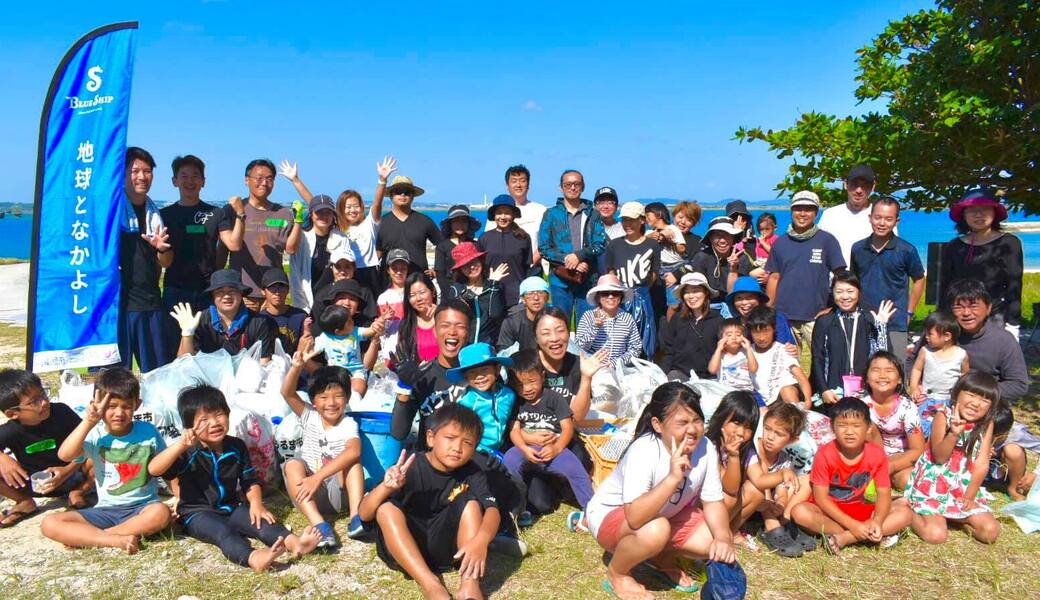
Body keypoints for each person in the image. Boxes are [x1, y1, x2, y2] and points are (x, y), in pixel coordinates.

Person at [585, 382, 737, 599]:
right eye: (682, 422)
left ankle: (660, 558)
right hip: (612, 517)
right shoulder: (644, 450)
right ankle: (617, 573)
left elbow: (713, 501)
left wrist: (723, 536)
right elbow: (635, 518)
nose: (692, 429)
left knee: (711, 540)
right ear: (658, 424)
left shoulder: (706, 448)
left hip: (662, 516)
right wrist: (673, 478)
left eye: (697, 420)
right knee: (657, 530)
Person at [149, 385, 320, 570]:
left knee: (261, 521)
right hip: (197, 513)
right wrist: (181, 445)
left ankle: (295, 543)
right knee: (224, 532)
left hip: (231, 507)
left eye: (219, 414)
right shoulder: (188, 452)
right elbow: (154, 469)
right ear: (190, 427)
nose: (214, 423)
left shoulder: (236, 446)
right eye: (204, 419)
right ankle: (254, 558)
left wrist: (256, 504)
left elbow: (249, 480)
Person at [359, 404, 500, 600]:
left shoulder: (473, 472)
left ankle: (470, 583)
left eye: (467, 443)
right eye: (450, 438)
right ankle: (431, 585)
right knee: (386, 509)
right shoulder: (409, 466)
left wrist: (481, 540)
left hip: (448, 548)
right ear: (430, 437)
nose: (457, 448)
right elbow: (364, 514)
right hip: (405, 548)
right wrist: (385, 488)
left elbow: (493, 510)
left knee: (472, 504)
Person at [41, 368, 172, 552]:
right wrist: (88, 421)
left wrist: (179, 498)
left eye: (126, 406)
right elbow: (65, 455)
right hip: (104, 510)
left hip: (143, 507)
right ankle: (115, 539)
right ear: (96, 404)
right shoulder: (95, 434)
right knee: (50, 523)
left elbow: (166, 466)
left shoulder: (148, 431)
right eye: (110, 406)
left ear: (137, 404)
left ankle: (99, 537)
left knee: (161, 513)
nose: (119, 413)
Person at [790, 397, 913, 554]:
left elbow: (884, 494)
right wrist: (854, 526)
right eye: (842, 426)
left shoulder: (876, 454)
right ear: (832, 428)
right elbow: (821, 498)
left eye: (856, 426)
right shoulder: (825, 454)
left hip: (861, 508)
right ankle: (861, 534)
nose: (849, 432)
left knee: (905, 514)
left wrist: (877, 520)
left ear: (868, 428)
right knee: (800, 512)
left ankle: (846, 538)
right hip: (829, 511)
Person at [905, 372, 1003, 544]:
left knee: (990, 533)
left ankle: (957, 517)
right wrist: (953, 434)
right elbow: (939, 457)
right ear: (957, 394)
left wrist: (969, 497)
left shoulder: (987, 424)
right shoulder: (943, 415)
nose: (976, 403)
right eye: (971, 395)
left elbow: (981, 464)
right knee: (935, 535)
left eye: (985, 400)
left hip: (962, 485)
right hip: (934, 483)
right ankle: (907, 511)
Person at [280, 157, 394, 305]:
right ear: (340, 210)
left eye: (356, 206)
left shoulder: (368, 225)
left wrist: (382, 181)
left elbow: (377, 205)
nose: (352, 210)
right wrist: (295, 180)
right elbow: (315, 205)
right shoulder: (338, 229)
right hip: (344, 273)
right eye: (348, 206)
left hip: (367, 272)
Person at [281, 350, 364, 548]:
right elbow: (287, 393)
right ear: (313, 401)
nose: (331, 403)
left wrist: (317, 478)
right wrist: (296, 367)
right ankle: (320, 525)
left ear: (347, 398)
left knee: (354, 466)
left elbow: (354, 451)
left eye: (338, 396)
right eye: (323, 397)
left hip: (336, 493)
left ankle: (356, 518)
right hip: (307, 495)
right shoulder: (309, 415)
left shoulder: (348, 424)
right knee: (292, 464)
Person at [502, 350, 595, 524]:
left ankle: (591, 511)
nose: (527, 389)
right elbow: (514, 430)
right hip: (526, 449)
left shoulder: (554, 398)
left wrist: (557, 448)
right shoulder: (516, 401)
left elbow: (567, 427)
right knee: (509, 461)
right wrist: (523, 448)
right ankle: (513, 510)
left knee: (576, 469)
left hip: (554, 448)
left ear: (542, 376)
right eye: (520, 384)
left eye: (531, 381)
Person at [0, 370, 93, 527]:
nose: (44, 402)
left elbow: (89, 441)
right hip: (35, 484)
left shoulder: (62, 412)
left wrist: (68, 470)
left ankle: (78, 492)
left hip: (75, 473)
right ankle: (23, 502)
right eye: (34, 402)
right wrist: (2, 458)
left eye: (43, 394)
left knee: (99, 455)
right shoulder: (10, 431)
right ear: (12, 414)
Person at [160, 154, 245, 312]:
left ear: (203, 181)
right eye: (184, 176)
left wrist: (240, 215)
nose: (190, 181)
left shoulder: (216, 213)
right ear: (174, 181)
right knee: (174, 336)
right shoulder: (164, 215)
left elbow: (234, 244)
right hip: (175, 288)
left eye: (195, 176)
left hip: (207, 289)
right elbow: (163, 261)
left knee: (206, 336)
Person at [922, 279, 1029, 403]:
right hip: (934, 400)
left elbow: (1019, 385)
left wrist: (974, 393)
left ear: (988, 308)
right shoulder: (939, 332)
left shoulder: (1003, 340)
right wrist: (916, 385)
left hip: (981, 404)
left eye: (973, 306)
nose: (966, 313)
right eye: (959, 307)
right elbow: (911, 362)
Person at [765, 190, 846, 349]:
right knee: (787, 365)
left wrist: (833, 307)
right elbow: (774, 277)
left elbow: (841, 275)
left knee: (822, 362)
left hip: (816, 315)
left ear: (816, 213)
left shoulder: (827, 240)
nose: (802, 213)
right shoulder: (780, 243)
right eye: (798, 208)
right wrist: (768, 310)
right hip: (784, 316)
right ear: (792, 211)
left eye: (808, 209)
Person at [850, 196, 925, 365]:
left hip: (895, 321)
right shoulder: (858, 248)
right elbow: (854, 281)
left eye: (888, 219)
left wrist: (909, 312)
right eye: (878, 217)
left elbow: (919, 279)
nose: (882, 223)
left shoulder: (906, 250)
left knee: (895, 370)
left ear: (896, 221)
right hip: (864, 319)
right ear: (870, 218)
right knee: (864, 369)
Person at [939, 188, 1023, 337]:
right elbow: (945, 285)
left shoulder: (1009, 243)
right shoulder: (954, 246)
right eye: (972, 211)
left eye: (984, 209)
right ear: (964, 215)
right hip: (959, 316)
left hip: (995, 316)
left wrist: (1013, 325)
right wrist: (941, 318)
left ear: (994, 212)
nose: (979, 215)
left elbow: (1014, 286)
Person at [118, 147, 173, 372]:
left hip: (148, 302)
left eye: (147, 171)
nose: (142, 177)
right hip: (116, 306)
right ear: (122, 173)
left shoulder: (156, 215)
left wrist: (161, 249)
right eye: (135, 171)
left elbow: (167, 262)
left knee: (157, 373)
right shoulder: (110, 212)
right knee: (115, 376)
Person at [810, 270, 894, 407]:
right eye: (839, 292)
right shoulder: (824, 321)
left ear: (859, 292)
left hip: (866, 391)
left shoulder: (870, 319)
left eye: (850, 291)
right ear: (832, 293)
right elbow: (817, 359)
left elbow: (885, 357)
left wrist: (881, 327)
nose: (845, 297)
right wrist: (824, 390)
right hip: (833, 393)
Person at [229, 158, 302, 310]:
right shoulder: (234, 209)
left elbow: (291, 248)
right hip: (242, 291)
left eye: (269, 179)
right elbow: (225, 247)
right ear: (246, 180)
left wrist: (299, 220)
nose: (264, 183)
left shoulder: (283, 213)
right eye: (259, 178)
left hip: (274, 292)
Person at [538, 169, 607, 325]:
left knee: (586, 326)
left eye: (577, 184)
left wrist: (580, 256)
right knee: (560, 324)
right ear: (561, 188)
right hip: (560, 281)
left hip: (587, 279)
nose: (573, 188)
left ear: (583, 187)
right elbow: (543, 247)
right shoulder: (551, 214)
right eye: (568, 184)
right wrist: (567, 259)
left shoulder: (593, 214)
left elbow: (600, 244)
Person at [747, 403, 814, 557]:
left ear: (792, 440)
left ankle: (784, 521)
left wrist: (781, 503)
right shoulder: (753, 449)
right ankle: (771, 525)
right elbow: (759, 480)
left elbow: (782, 490)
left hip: (769, 504)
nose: (770, 437)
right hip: (753, 501)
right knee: (761, 473)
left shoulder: (784, 460)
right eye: (768, 429)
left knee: (806, 480)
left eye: (779, 434)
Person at [170, 269, 277, 362]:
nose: (226, 296)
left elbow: (264, 362)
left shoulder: (258, 322)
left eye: (232, 291)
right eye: (220, 291)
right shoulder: (200, 320)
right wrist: (187, 334)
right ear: (213, 295)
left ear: (241, 293)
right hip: (207, 380)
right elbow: (183, 362)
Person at [862, 351, 925, 490]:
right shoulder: (860, 404)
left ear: (900, 379)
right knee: (863, 424)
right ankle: (876, 475)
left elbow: (917, 449)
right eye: (876, 370)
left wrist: (891, 466)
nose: (882, 375)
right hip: (871, 457)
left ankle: (883, 476)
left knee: (907, 480)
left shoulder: (907, 407)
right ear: (866, 378)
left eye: (889, 370)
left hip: (902, 458)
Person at [606, 201, 660, 358]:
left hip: (643, 298)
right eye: (624, 220)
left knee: (645, 337)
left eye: (632, 219)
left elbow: (654, 273)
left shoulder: (652, 244)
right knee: (620, 339)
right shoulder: (615, 245)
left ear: (642, 220)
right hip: (620, 299)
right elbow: (611, 272)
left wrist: (641, 292)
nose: (627, 224)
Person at [705, 391, 764, 534]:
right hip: (703, 504)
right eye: (736, 423)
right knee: (729, 498)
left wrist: (782, 475)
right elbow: (729, 489)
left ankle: (730, 531)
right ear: (722, 419)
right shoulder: (709, 445)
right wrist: (733, 456)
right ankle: (712, 533)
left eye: (748, 427)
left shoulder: (747, 449)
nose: (741, 432)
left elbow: (760, 479)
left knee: (756, 492)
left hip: (722, 506)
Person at [283, 193, 349, 313]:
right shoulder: (302, 238)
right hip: (305, 300)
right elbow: (291, 254)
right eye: (319, 212)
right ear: (311, 215)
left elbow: (345, 272)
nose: (324, 216)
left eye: (328, 212)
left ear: (333, 215)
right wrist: (302, 308)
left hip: (332, 301)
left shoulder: (341, 238)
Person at [910, 311, 970, 436]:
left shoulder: (961, 355)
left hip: (948, 400)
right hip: (926, 398)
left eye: (930, 334)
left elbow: (965, 376)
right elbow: (917, 369)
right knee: (920, 425)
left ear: (947, 336)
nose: (926, 336)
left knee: (944, 427)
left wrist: (960, 397)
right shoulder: (925, 351)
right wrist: (914, 387)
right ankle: (921, 448)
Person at [313, 301, 388, 397]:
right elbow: (315, 351)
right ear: (337, 331)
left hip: (356, 370)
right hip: (334, 372)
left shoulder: (355, 332)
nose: (352, 321)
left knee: (357, 390)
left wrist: (382, 319)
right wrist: (306, 354)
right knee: (334, 391)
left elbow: (371, 330)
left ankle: (354, 402)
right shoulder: (325, 337)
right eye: (349, 321)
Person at [658, 273, 723, 381]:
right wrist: (661, 376)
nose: (691, 296)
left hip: (709, 377)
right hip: (680, 374)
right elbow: (669, 351)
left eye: (696, 291)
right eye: (687, 292)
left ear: (706, 293)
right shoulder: (677, 319)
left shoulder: (718, 320)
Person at [377, 175, 442, 277]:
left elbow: (443, 245)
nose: (403, 194)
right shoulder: (381, 223)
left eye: (407, 192)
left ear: (412, 196)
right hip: (388, 283)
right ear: (391, 196)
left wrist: (437, 269)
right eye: (398, 191)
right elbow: (376, 253)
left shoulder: (425, 221)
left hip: (418, 282)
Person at [747, 306, 811, 409]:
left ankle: (796, 415)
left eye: (766, 331)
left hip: (786, 394)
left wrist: (808, 400)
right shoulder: (748, 352)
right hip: (764, 399)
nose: (762, 337)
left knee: (787, 390)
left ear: (774, 329)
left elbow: (800, 377)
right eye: (756, 332)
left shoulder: (783, 349)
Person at [444, 241, 508, 346]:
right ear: (460, 270)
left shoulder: (494, 286)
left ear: (481, 261)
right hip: (464, 346)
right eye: (466, 266)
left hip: (488, 347)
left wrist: (493, 285)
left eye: (474, 262)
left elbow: (496, 314)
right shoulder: (456, 289)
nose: (472, 267)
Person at [487, 165, 547, 271]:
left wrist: (531, 263)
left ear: (528, 184)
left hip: (532, 268)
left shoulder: (541, 210)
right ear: (507, 185)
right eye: (514, 181)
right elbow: (489, 238)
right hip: (501, 269)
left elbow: (545, 242)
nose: (518, 185)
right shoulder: (496, 209)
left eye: (522, 181)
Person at [575, 274, 642, 368]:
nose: (610, 297)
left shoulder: (627, 318)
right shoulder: (588, 316)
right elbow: (579, 347)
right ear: (598, 297)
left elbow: (635, 348)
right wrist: (594, 328)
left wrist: (615, 363)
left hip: (619, 370)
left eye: (615, 293)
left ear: (620, 297)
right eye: (605, 293)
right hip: (592, 369)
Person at [479, 194, 534, 307]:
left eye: (507, 213)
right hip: (490, 294)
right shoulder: (484, 238)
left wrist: (527, 293)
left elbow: (527, 269)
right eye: (499, 213)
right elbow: (479, 268)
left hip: (516, 296)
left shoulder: (523, 237)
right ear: (494, 215)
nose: (503, 217)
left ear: (513, 215)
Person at [818, 164, 877, 267]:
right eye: (854, 184)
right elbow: (818, 251)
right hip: (835, 281)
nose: (859, 190)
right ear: (846, 184)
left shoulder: (880, 218)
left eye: (865, 185)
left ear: (873, 187)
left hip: (869, 281)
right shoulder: (830, 215)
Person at [690, 216, 753, 306]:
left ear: (733, 238)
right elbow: (698, 289)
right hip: (708, 305)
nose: (722, 240)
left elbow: (739, 291)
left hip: (734, 303)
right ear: (711, 238)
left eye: (727, 235)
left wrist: (733, 269)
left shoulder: (742, 257)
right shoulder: (701, 258)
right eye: (717, 236)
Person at [726, 275, 798, 348]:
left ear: (759, 299)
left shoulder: (776, 318)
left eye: (750, 297)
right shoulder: (733, 324)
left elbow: (785, 347)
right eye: (739, 298)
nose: (744, 302)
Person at [645, 202, 689, 319]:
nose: (646, 219)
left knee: (674, 304)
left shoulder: (673, 228)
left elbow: (682, 248)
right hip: (660, 268)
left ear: (658, 214)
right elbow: (643, 240)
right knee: (663, 301)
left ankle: (671, 325)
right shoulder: (649, 233)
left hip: (676, 266)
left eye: (648, 215)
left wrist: (666, 238)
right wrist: (655, 235)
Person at [393, 272, 441, 365]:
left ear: (433, 292)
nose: (418, 298)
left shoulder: (446, 317)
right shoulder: (407, 325)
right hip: (422, 377)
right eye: (412, 295)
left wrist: (439, 315)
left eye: (422, 292)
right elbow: (402, 358)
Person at [258, 267, 308, 355]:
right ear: (263, 291)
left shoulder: (301, 316)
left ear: (288, 290)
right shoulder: (258, 320)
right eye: (272, 288)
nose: (277, 292)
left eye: (282, 287)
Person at [434, 205, 481, 296]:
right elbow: (440, 274)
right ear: (450, 224)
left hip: (472, 291)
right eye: (456, 221)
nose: (460, 225)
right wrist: (450, 294)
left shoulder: (475, 245)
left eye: (463, 221)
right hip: (450, 292)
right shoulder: (442, 247)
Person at [497, 276, 549, 352]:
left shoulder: (555, 320)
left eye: (541, 292)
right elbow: (504, 353)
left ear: (547, 297)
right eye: (530, 293)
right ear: (522, 299)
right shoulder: (511, 323)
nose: (536, 298)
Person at [708, 318, 759, 395]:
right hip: (726, 392)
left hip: (747, 391)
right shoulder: (719, 355)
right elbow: (712, 370)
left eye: (738, 335)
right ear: (721, 338)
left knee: (762, 407)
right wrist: (718, 349)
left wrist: (748, 349)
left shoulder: (747, 352)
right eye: (729, 335)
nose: (734, 337)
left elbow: (753, 369)